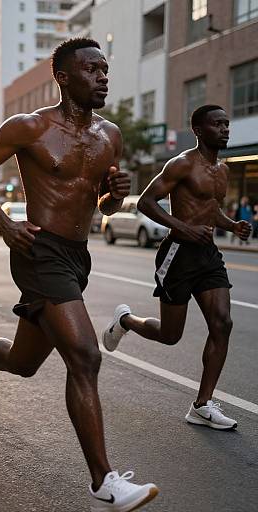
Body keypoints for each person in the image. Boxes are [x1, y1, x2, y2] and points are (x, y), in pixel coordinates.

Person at [0, 38, 158, 511]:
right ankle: (104, 481)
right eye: (92, 70)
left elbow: (100, 202)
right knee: (85, 356)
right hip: (37, 249)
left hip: (76, 255)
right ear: (65, 78)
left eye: (105, 70)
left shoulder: (110, 135)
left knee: (23, 363)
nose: (103, 77)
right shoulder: (30, 126)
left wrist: (114, 196)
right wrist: (4, 223)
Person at [103, 105, 252, 431]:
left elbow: (210, 210)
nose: (225, 129)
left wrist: (232, 225)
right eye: (218, 124)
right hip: (178, 255)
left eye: (227, 123)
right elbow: (145, 201)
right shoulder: (182, 163)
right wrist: (183, 228)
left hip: (208, 255)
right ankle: (125, 320)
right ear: (199, 130)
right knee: (170, 335)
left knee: (223, 322)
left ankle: (202, 405)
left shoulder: (222, 171)